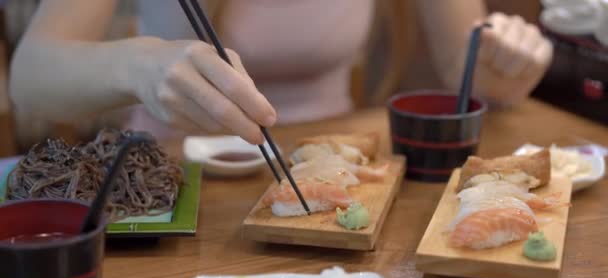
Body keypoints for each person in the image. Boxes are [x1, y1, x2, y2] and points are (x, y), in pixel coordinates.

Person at [9, 0, 552, 148]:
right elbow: (31, 77)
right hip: (171, 175)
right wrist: (139, 62)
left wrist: (508, 65)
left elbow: (471, 72)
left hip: (340, 167)